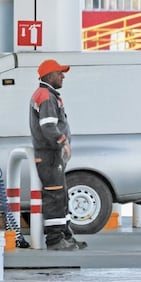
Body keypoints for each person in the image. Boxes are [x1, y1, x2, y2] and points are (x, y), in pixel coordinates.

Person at [29, 59, 87, 251]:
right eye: (59, 73)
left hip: (52, 155)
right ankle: (55, 240)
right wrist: (62, 141)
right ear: (48, 75)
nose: (63, 76)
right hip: (49, 155)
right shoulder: (46, 96)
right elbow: (48, 126)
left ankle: (65, 236)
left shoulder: (47, 95)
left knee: (61, 195)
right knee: (54, 195)